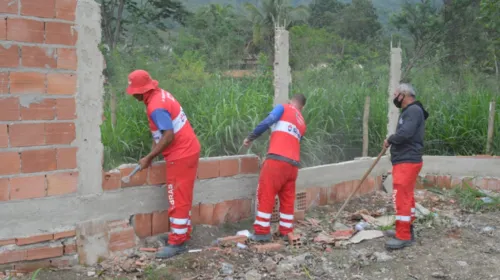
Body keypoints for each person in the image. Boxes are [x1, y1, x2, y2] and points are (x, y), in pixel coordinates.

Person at [126, 69, 201, 258]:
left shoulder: (156, 107)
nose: (133, 95)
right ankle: (181, 234)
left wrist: (150, 157)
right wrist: (151, 155)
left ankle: (177, 243)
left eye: (134, 92)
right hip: (187, 150)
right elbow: (159, 134)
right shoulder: (159, 96)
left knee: (176, 197)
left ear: (141, 91)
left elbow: (168, 135)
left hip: (181, 153)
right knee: (181, 195)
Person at [243, 94, 307, 242]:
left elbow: (269, 121)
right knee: (287, 199)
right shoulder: (302, 123)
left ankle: (261, 232)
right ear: (302, 107)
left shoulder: (283, 108)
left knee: (266, 193)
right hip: (293, 166)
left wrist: (250, 137)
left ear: (291, 101)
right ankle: (286, 231)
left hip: (277, 161)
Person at [383, 83, 429, 250]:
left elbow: (406, 133)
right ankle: (406, 229)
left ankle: (403, 236)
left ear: (404, 95)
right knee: (406, 197)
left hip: (407, 160)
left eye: (397, 94)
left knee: (401, 197)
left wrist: (390, 139)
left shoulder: (413, 111)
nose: (395, 97)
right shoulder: (411, 112)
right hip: (406, 160)